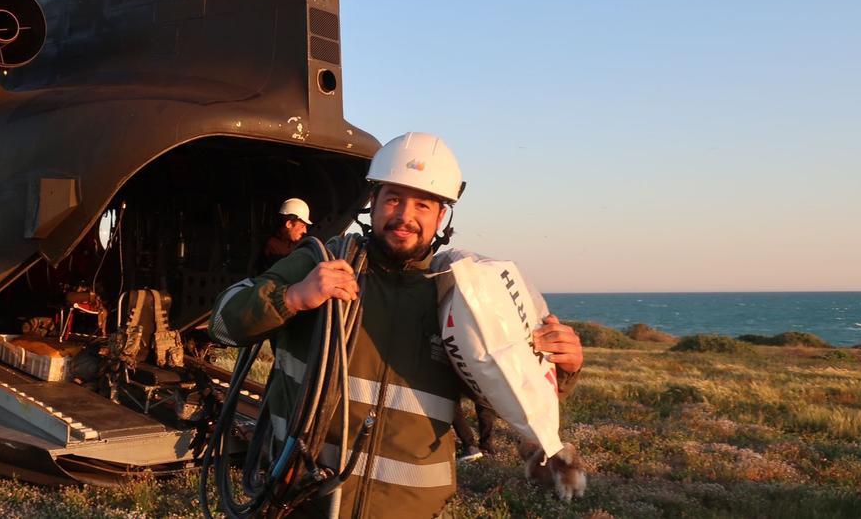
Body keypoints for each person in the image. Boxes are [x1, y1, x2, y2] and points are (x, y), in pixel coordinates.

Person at [210, 132, 584, 518]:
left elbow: (509, 389)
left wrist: (564, 367)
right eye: (393, 199)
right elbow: (222, 324)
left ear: (442, 217)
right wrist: (293, 298)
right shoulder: (321, 262)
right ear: (372, 202)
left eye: (423, 204)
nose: (405, 216)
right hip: (302, 502)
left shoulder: (460, 294)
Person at [256, 197, 313, 272]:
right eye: (302, 226)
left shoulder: (297, 242)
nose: (305, 231)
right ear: (289, 224)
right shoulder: (272, 247)